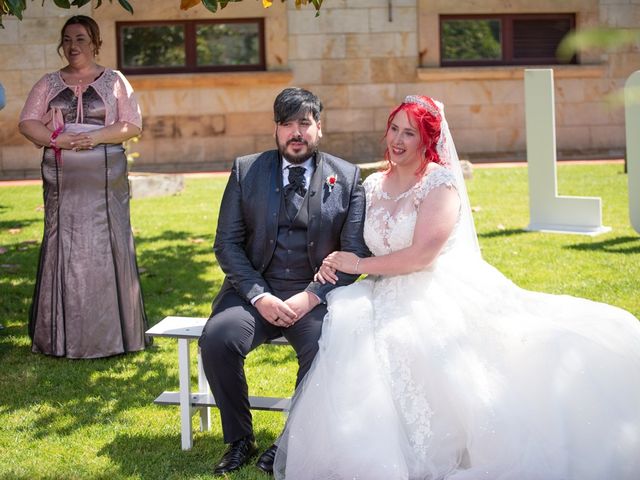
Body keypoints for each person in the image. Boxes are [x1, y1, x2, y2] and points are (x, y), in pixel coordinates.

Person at [274, 95, 640, 480]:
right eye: (394, 129)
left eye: (409, 133)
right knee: (351, 332)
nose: (398, 140)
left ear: (428, 139)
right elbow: (358, 239)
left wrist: (358, 264)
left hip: (434, 289)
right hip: (379, 290)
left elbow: (421, 257)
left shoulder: (439, 184)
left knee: (418, 342)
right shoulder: (373, 184)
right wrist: (336, 260)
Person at [198, 87, 369, 476]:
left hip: (314, 298)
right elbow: (226, 244)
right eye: (287, 124)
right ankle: (240, 438)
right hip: (253, 293)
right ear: (275, 129)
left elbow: (354, 254)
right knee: (219, 339)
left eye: (304, 124)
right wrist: (259, 296)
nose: (296, 132)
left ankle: (291, 440)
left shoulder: (347, 176)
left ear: (318, 128)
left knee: (325, 348)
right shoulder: (246, 170)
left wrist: (311, 296)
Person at [18, 15, 150, 359]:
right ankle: (60, 335)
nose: (72, 46)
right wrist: (57, 141)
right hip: (62, 177)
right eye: (66, 39)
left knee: (107, 241)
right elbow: (27, 121)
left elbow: (132, 123)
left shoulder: (115, 81)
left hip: (105, 177)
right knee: (62, 241)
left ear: (95, 42)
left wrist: (92, 138)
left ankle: (113, 336)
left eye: (80, 38)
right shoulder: (48, 82)